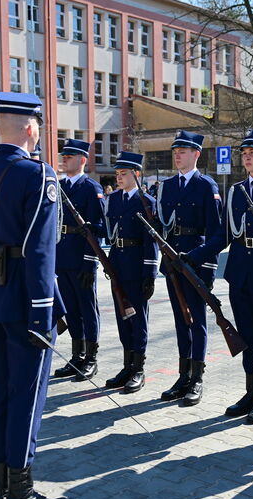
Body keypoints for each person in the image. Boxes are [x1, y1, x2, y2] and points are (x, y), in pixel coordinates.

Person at [0, 91, 69, 499]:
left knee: (0, 393)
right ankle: (20, 495)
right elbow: (41, 251)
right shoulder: (38, 174)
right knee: (26, 396)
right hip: (27, 303)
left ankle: (1, 491)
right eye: (39, 126)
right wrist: (43, 313)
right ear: (30, 128)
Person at [186, 130, 253, 424]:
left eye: (252, 153)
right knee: (246, 337)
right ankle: (250, 392)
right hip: (239, 274)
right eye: (244, 153)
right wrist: (195, 256)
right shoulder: (236, 191)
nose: (246, 157)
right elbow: (223, 235)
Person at [155, 130, 222, 406]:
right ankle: (183, 375)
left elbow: (217, 233)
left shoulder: (207, 186)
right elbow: (161, 225)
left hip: (196, 262)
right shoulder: (167, 186)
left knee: (197, 320)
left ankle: (197, 378)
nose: (177, 155)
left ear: (196, 154)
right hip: (173, 262)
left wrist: (206, 265)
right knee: (181, 320)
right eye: (175, 151)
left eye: (183, 151)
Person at [102, 152, 159, 394]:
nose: (119, 178)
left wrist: (150, 273)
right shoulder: (113, 199)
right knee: (122, 317)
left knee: (138, 318)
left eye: (123, 174)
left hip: (136, 266)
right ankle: (127, 366)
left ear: (136, 174)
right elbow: (109, 232)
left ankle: (138, 368)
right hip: (118, 264)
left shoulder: (146, 202)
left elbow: (151, 241)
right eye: (117, 174)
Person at [52, 139, 106, 380]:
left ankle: (91, 358)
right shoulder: (59, 186)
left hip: (82, 258)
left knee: (87, 309)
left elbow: (98, 229)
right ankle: (77, 355)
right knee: (71, 309)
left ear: (83, 160)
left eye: (69, 156)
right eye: (64, 156)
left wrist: (89, 261)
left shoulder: (91, 188)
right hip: (62, 256)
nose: (64, 159)